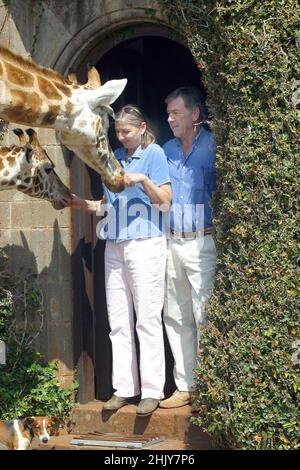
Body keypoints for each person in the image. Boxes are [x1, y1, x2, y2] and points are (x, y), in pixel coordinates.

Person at [71, 105, 172, 417]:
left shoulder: (154, 154)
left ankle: (152, 391)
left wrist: (142, 179)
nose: (121, 136)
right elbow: (109, 204)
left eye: (126, 131)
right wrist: (83, 204)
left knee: (147, 319)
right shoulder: (113, 156)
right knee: (118, 321)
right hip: (114, 246)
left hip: (145, 243)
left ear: (142, 128)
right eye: (118, 132)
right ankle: (124, 389)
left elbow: (166, 201)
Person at [159, 87, 217, 409]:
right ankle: (185, 386)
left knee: (204, 312)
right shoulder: (166, 149)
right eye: (168, 114)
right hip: (172, 242)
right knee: (176, 315)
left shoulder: (213, 147)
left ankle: (210, 387)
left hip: (202, 241)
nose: (169, 119)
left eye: (175, 113)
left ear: (194, 114)